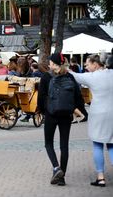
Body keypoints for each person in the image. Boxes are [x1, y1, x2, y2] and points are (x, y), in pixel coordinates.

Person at [37, 53, 83, 186]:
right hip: (66, 116)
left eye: (50, 62)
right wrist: (79, 111)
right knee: (64, 146)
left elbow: (41, 97)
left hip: (51, 114)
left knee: (48, 143)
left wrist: (42, 109)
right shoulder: (69, 76)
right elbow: (77, 96)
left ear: (53, 64)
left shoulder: (46, 77)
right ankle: (62, 178)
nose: (49, 64)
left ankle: (56, 168)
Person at [69, 55, 113, 187]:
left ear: (95, 64)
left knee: (98, 145)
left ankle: (100, 177)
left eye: (88, 64)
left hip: (99, 113)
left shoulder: (92, 77)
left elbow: (73, 75)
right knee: (112, 145)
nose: (86, 67)